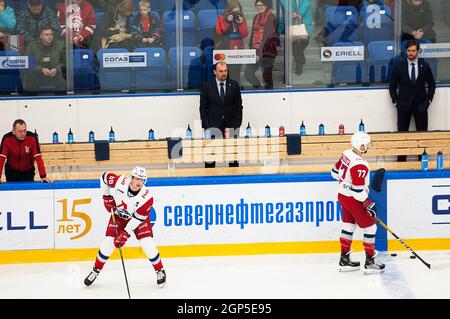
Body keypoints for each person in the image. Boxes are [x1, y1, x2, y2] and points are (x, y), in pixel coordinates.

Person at [84, 166, 167, 288]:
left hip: (137, 220)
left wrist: (125, 233)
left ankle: (160, 270)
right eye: (136, 178)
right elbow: (104, 177)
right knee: (108, 243)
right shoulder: (120, 181)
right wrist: (106, 196)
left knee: (147, 243)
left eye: (141, 180)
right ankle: (95, 270)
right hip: (119, 216)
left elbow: (138, 219)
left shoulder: (147, 197)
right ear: (131, 177)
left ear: (144, 181)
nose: (138, 182)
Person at [331, 132, 385, 274]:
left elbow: (334, 173)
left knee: (348, 226)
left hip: (342, 196)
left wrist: (346, 184)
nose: (367, 147)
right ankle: (369, 262)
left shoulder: (347, 154)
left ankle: (344, 260)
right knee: (370, 228)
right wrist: (368, 202)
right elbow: (357, 191)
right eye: (366, 144)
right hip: (354, 199)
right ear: (361, 146)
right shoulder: (360, 164)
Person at [389, 40, 435, 162]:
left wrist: (428, 101)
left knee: (422, 136)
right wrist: (395, 102)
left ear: (418, 51)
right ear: (406, 51)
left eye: (413, 50)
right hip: (403, 106)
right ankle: (401, 162)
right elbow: (392, 86)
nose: (411, 53)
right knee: (402, 136)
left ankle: (422, 161)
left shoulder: (424, 66)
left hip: (421, 106)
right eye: (409, 51)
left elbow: (432, 85)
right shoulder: (399, 66)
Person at [200, 61, 243, 168]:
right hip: (212, 125)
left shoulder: (234, 85)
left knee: (233, 156)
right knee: (210, 157)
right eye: (221, 71)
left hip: (231, 124)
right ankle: (209, 179)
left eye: (225, 71)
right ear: (215, 72)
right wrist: (206, 125)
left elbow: (239, 106)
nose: (223, 73)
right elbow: (203, 107)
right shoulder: (207, 86)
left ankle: (234, 179)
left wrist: (236, 125)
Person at [244, 0, 278, 90]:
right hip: (255, 51)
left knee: (267, 77)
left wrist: (259, 53)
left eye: (261, 5)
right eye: (257, 5)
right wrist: (252, 49)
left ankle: (269, 95)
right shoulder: (256, 17)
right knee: (248, 74)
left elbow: (267, 37)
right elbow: (253, 35)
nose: (258, 7)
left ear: (267, 5)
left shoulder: (272, 17)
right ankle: (258, 89)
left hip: (267, 52)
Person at [22, 24, 66, 92]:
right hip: (36, 78)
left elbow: (66, 61)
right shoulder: (32, 46)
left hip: (56, 77)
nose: (49, 37)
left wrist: (57, 69)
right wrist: (41, 69)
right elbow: (27, 62)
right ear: (41, 36)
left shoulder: (60, 45)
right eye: (46, 35)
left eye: (51, 34)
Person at [214, 0, 248, 82]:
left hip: (237, 51)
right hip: (225, 50)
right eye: (233, 12)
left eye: (237, 12)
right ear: (228, 11)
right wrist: (227, 21)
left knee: (236, 74)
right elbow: (220, 32)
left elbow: (244, 34)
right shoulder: (222, 18)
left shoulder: (241, 20)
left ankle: (235, 89)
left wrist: (241, 23)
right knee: (224, 74)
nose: (236, 15)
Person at [279, 0, 312, 76]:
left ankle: (301, 58)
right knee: (293, 47)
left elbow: (306, 3)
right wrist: (292, 12)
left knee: (303, 44)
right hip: (291, 23)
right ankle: (299, 64)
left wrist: (298, 13)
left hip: (305, 23)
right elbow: (285, 2)